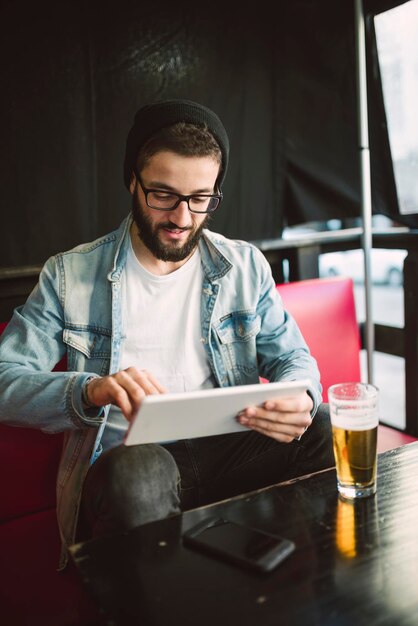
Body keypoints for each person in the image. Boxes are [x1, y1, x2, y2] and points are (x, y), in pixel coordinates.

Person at [0, 99, 334, 569]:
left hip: (229, 449)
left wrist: (302, 394)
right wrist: (91, 390)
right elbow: (3, 380)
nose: (182, 218)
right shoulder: (69, 275)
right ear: (132, 183)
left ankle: (308, 590)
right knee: (138, 472)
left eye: (201, 199)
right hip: (133, 463)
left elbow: (294, 359)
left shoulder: (243, 266)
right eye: (163, 195)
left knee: (322, 423)